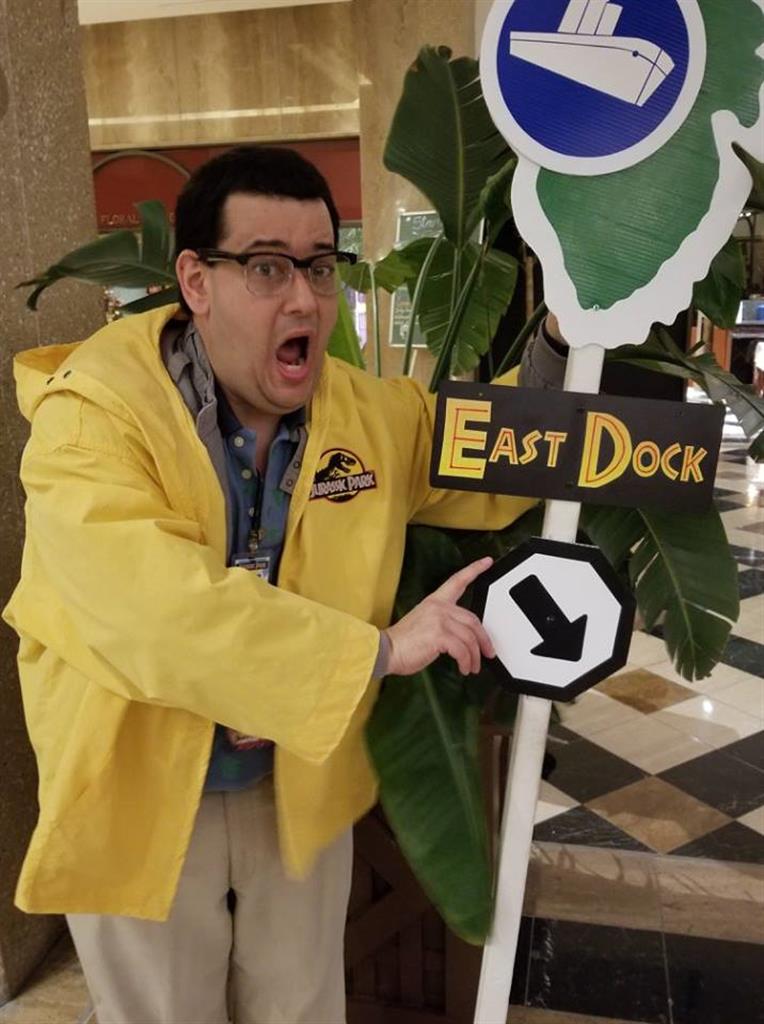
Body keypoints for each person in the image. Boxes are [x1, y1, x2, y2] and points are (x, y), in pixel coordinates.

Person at [3, 145, 566, 1024]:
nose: (304, 298)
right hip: (141, 787)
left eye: (319, 266)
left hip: (293, 781)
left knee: (302, 1005)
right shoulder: (94, 420)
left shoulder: (366, 415)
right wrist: (379, 651)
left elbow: (497, 446)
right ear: (196, 281)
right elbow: (155, 613)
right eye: (267, 267)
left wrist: (564, 332)